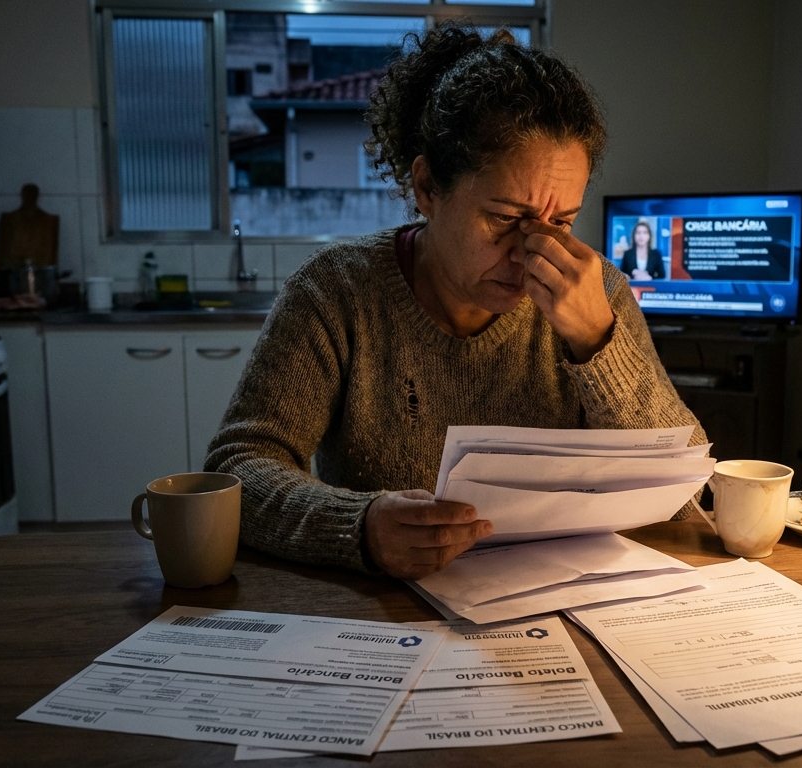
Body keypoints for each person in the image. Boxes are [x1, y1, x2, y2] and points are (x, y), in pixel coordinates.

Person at [205, 24, 705, 580]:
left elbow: (683, 499)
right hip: (380, 617)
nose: (531, 253)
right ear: (427, 188)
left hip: (554, 612)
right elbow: (238, 470)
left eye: (561, 221)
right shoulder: (337, 293)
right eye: (504, 218)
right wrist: (358, 525)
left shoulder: (597, 293)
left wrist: (598, 342)